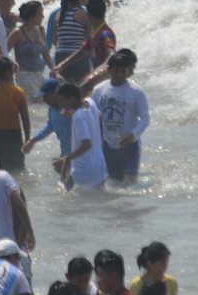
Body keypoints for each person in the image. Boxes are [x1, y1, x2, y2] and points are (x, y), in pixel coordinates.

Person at [91, 49, 149, 182]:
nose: (120, 75)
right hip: (107, 144)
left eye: (124, 72)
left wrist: (132, 135)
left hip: (130, 145)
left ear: (128, 72)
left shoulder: (136, 92)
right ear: (109, 70)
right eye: (117, 71)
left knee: (129, 184)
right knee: (113, 183)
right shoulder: (99, 90)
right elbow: (94, 116)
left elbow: (145, 118)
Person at [52, 82, 106, 190]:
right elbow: (98, 117)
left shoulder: (78, 117)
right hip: (100, 165)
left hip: (84, 168)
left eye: (62, 100)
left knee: (67, 194)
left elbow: (87, 144)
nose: (60, 104)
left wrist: (66, 159)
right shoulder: (90, 102)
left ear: (72, 98)